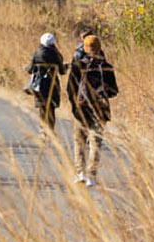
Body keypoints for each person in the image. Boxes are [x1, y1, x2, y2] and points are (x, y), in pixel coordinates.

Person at [65, 33, 118, 187]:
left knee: (79, 141)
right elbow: (113, 90)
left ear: (85, 48)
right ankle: (92, 175)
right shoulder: (106, 67)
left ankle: (80, 172)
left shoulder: (78, 65)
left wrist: (75, 106)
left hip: (81, 109)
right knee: (96, 142)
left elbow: (70, 89)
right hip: (100, 110)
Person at [26, 33, 65, 131]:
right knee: (51, 108)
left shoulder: (37, 53)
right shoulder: (56, 55)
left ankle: (43, 130)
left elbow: (30, 69)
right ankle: (51, 130)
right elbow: (62, 71)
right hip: (52, 85)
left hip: (40, 85)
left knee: (42, 108)